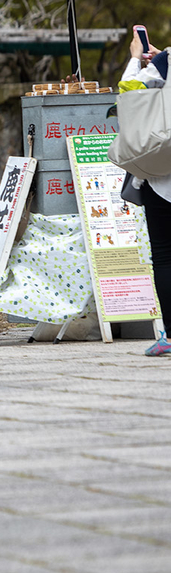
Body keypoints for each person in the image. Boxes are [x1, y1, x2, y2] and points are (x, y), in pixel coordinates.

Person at [117, 30, 171, 356]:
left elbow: (128, 94)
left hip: (162, 176)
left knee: (165, 257)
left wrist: (137, 58)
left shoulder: (166, 62)